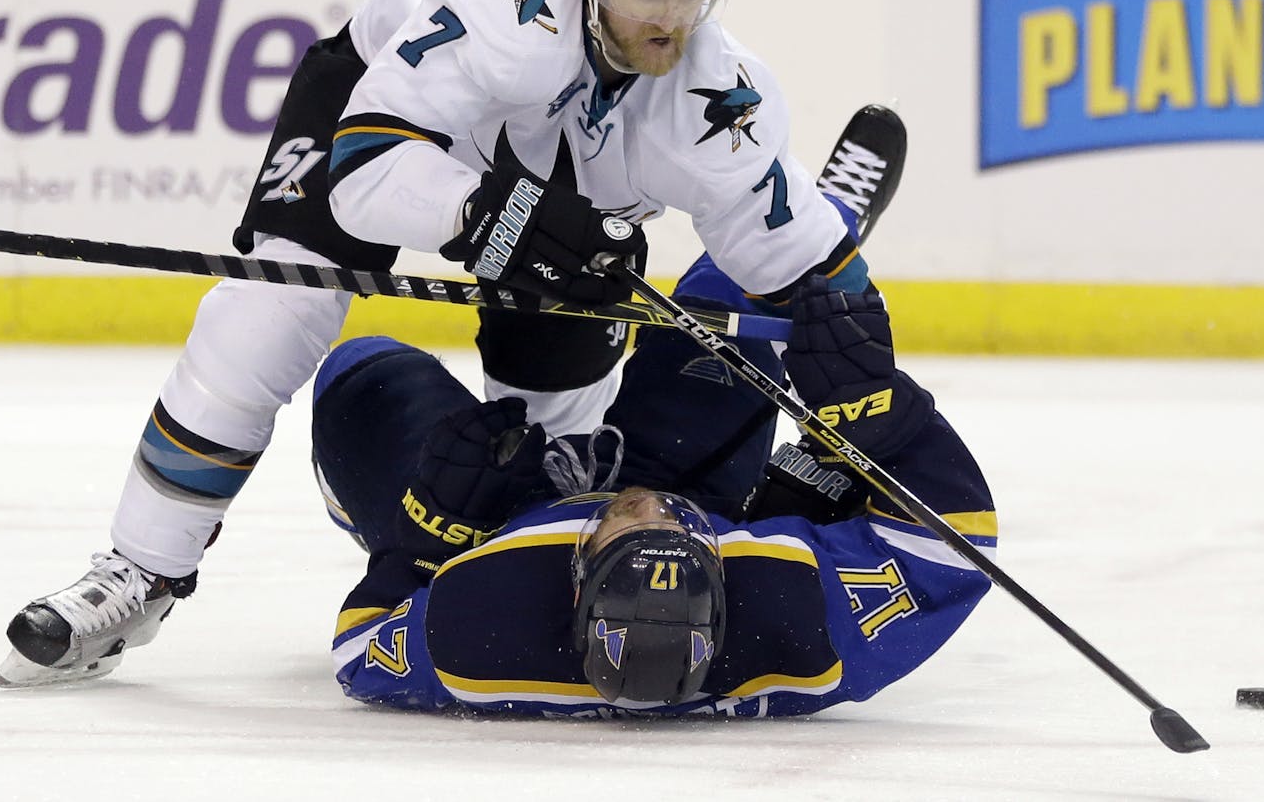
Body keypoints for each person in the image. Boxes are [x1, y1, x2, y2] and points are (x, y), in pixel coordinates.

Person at [0, 0, 906, 689]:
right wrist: (490, 215)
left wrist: (850, 320)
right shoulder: (496, 4)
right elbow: (365, 178)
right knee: (264, 319)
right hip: (375, 120)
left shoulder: (717, 96)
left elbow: (788, 253)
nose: (667, 19)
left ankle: (515, 549)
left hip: (561, 182)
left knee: (553, 451)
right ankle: (140, 573)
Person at [312, 262, 996, 715]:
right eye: (675, 532)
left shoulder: (486, 628)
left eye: (628, 533)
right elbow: (958, 546)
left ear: (576, 577)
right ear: (721, 573)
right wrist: (879, 411)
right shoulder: (792, 621)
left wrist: (429, 534)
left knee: (361, 375)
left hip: (501, 521)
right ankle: (816, 227)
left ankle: (370, 507)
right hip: (695, 483)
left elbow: (357, 647)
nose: (645, 512)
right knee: (738, 281)